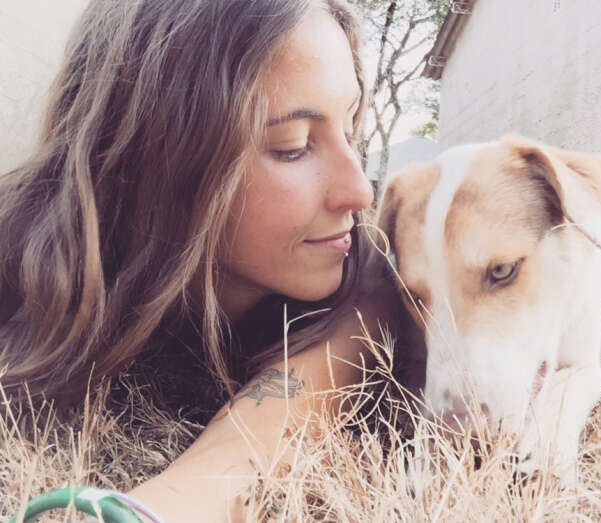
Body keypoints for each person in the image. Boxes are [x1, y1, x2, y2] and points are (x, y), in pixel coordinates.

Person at [0, 0, 399, 520]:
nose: (359, 192)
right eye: (294, 146)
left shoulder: (363, 282)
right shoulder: (27, 270)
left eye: (351, 130)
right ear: (159, 153)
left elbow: (279, 416)